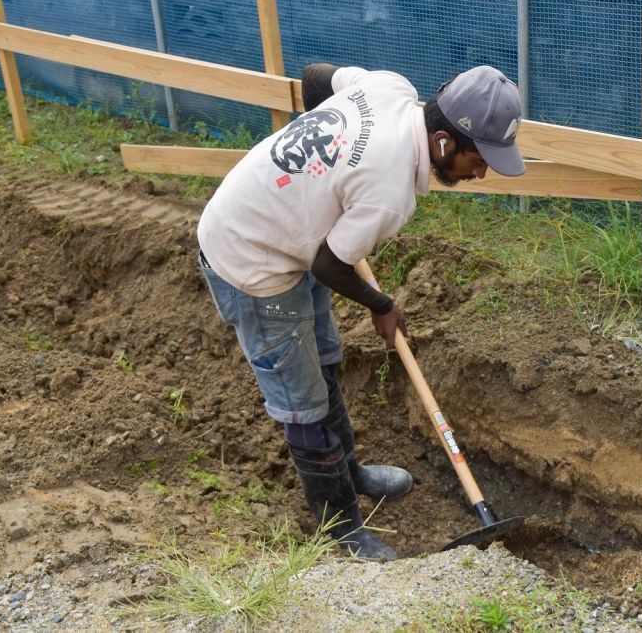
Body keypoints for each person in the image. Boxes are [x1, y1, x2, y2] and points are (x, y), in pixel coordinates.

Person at [197, 63, 526, 560]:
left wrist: (324, 174)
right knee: (302, 397)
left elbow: (314, 79)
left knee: (327, 354)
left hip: (288, 234)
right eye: (478, 159)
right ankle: (342, 527)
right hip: (251, 256)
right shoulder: (389, 191)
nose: (481, 173)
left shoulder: (391, 86)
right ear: (442, 141)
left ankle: (349, 474)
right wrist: (382, 305)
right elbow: (332, 265)